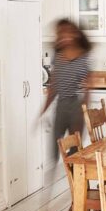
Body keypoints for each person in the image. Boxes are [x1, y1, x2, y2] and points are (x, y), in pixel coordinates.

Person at [40, 19, 92, 147]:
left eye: (67, 32)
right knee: (57, 145)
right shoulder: (57, 56)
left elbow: (88, 89)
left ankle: (73, 166)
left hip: (77, 106)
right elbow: (54, 87)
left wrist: (83, 112)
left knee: (75, 146)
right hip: (61, 105)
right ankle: (61, 166)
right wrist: (43, 111)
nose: (63, 36)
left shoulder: (83, 56)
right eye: (60, 33)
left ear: (74, 34)